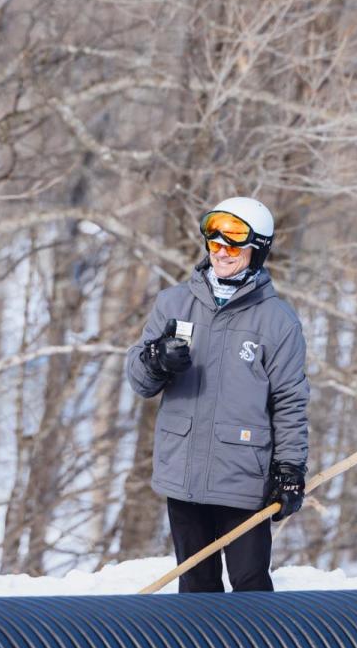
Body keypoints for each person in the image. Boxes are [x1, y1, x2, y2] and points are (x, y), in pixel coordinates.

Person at [126, 196, 310, 592]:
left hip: (243, 478)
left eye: (233, 245)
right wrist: (155, 359)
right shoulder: (174, 303)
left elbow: (290, 402)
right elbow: (141, 382)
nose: (221, 253)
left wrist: (290, 469)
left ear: (257, 250)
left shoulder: (277, 321)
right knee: (195, 585)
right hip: (184, 472)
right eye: (214, 244)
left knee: (250, 586)